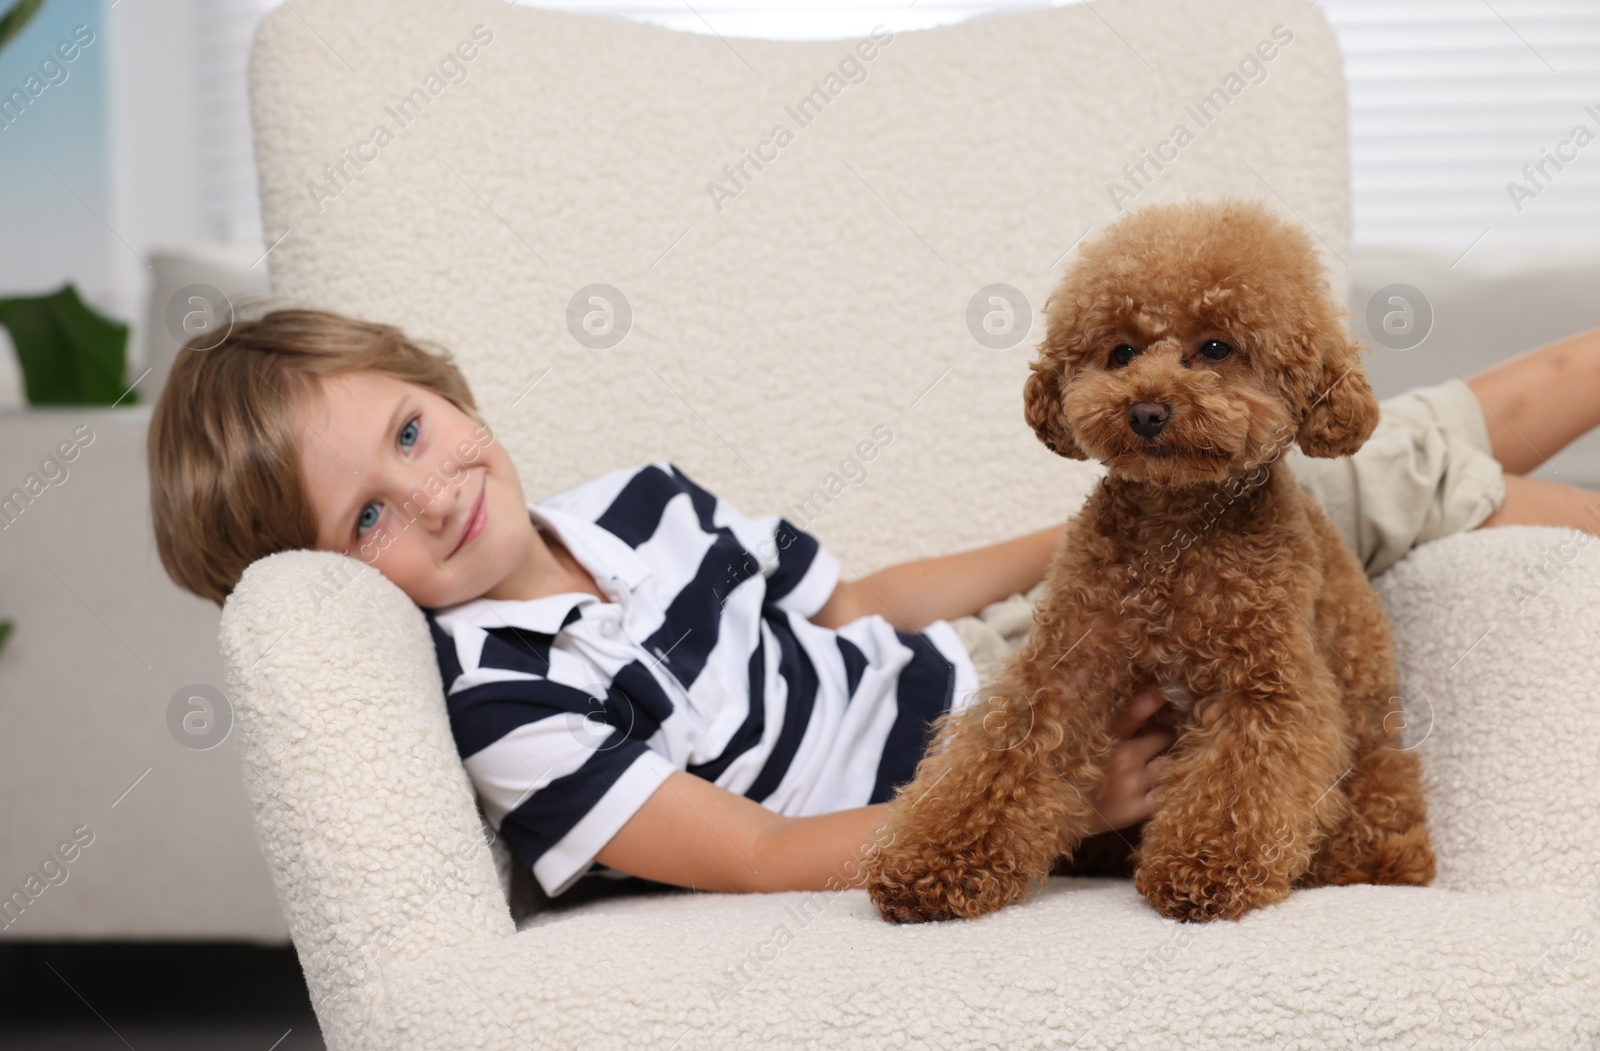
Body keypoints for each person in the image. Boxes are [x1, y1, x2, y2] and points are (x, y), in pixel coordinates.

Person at [147, 308, 1600, 901]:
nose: (435, 494)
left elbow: (860, 603)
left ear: (442, 389)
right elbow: (767, 850)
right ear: (336, 578)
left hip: (989, 657)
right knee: (1378, 468)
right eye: (368, 519)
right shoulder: (502, 702)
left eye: (409, 434)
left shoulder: (640, 505)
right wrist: (1053, 802)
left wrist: (1085, 526)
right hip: (997, 756)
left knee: (1340, 462)